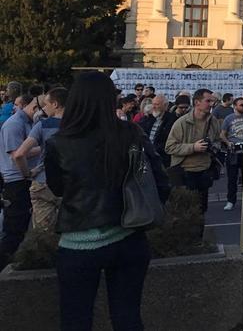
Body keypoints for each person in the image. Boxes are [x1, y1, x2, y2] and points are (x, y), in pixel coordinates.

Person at [45, 71, 170, 330]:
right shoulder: (131, 132)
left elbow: (57, 188)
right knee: (127, 316)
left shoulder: (59, 142)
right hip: (128, 235)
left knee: (75, 318)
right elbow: (160, 180)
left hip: (78, 241)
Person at [13, 87, 67, 230]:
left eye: (46, 104)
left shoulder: (43, 125)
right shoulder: (79, 125)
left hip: (44, 181)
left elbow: (19, 154)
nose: (44, 108)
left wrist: (27, 174)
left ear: (55, 104)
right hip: (71, 183)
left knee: (43, 234)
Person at [0, 89, 43, 268]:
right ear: (35, 108)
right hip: (15, 180)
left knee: (22, 225)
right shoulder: (14, 124)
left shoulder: (27, 122)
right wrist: (44, 146)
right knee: (14, 227)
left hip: (24, 177)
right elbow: (16, 154)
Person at [165, 88, 222, 215]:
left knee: (201, 210)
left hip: (204, 173)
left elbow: (218, 140)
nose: (212, 104)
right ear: (197, 102)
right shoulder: (182, 123)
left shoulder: (214, 122)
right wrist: (193, 147)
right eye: (208, 101)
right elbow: (169, 147)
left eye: (213, 101)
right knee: (185, 212)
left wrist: (214, 147)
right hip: (185, 174)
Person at [221, 96, 243, 211]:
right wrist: (228, 143)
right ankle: (231, 201)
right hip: (234, 152)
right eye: (241, 105)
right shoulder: (229, 118)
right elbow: (222, 134)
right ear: (235, 106)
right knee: (232, 178)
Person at [138, 95, 177, 170]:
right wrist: (146, 116)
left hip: (162, 156)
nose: (154, 107)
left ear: (165, 106)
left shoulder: (172, 119)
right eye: (153, 104)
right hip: (147, 155)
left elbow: (167, 139)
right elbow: (140, 129)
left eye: (157, 104)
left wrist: (154, 150)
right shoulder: (149, 118)